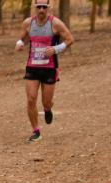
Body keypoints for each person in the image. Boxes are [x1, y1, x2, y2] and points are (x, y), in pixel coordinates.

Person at [15, 0, 73, 142]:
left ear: (49, 8)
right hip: (33, 67)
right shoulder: (28, 23)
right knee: (30, 99)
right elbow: (24, 38)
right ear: (34, 7)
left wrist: (55, 49)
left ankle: (47, 109)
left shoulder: (56, 23)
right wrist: (20, 43)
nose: (41, 10)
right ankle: (36, 131)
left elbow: (70, 39)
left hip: (50, 68)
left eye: (44, 7)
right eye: (39, 7)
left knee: (46, 102)